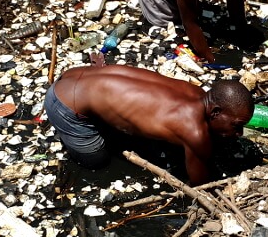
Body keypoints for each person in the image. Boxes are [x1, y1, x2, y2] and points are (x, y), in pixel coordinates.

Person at [43, 65, 254, 186]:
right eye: (236, 126)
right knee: (97, 162)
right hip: (64, 104)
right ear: (215, 112)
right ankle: (71, 133)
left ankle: (101, 120)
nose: (239, 133)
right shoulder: (194, 131)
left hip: (76, 75)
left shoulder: (198, 94)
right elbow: (201, 185)